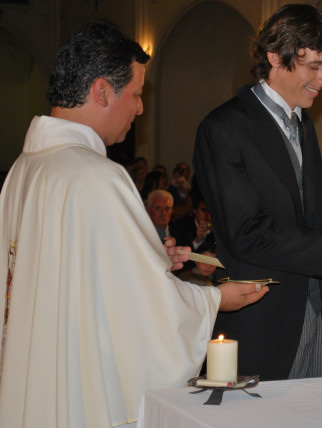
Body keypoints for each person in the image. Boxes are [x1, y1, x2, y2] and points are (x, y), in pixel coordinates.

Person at [0, 22, 268, 428]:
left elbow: (69, 278)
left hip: (32, 381)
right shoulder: (97, 176)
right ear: (102, 91)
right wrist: (215, 300)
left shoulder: (24, 169)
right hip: (74, 392)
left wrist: (144, 257)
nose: (140, 109)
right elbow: (146, 310)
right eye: (137, 94)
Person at [193, 3, 322, 381]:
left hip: (314, 315)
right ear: (276, 56)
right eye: (315, 66)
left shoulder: (302, 121)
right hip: (262, 322)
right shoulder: (224, 128)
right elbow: (245, 234)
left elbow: (302, 214)